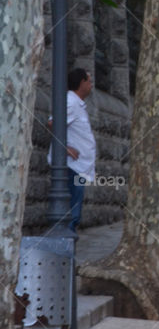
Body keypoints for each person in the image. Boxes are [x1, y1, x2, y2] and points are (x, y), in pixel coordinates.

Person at [54, 67, 96, 232]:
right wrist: (64, 148)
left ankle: (68, 244)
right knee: (71, 213)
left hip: (79, 168)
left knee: (74, 211)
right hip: (72, 167)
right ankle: (65, 245)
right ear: (82, 82)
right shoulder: (70, 102)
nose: (91, 84)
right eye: (89, 81)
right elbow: (53, 123)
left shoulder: (76, 104)